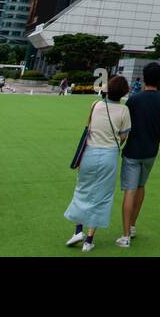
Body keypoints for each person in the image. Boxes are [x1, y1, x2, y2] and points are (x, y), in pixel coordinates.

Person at [65, 75, 131, 251]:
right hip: (109, 155)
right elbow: (123, 136)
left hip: (89, 153)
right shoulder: (124, 110)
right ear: (124, 92)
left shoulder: (96, 105)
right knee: (102, 196)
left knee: (83, 189)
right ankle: (89, 240)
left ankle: (78, 231)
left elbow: (89, 126)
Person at [117, 62, 160, 248]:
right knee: (141, 186)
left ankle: (125, 235)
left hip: (133, 150)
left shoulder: (134, 99)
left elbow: (124, 126)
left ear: (143, 77)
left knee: (130, 190)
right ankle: (132, 226)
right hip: (151, 151)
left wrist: (116, 145)